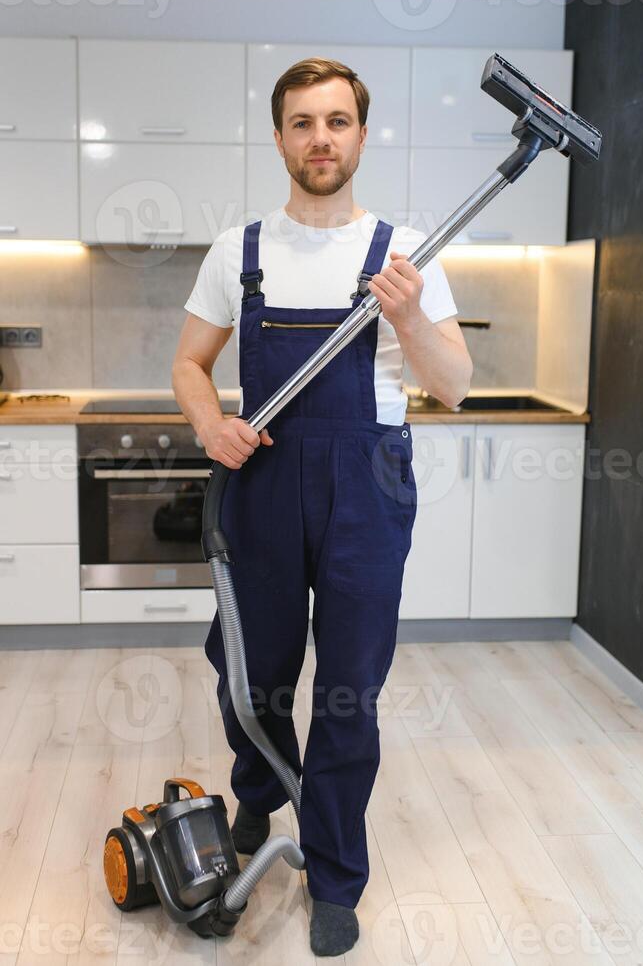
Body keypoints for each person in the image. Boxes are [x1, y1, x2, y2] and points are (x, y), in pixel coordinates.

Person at [172, 57, 472, 957]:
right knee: (249, 669)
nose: (321, 139)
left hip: (366, 491)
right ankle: (260, 799)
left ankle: (336, 871)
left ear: (361, 135)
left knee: (350, 693)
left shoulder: (406, 252)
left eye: (337, 121)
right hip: (261, 479)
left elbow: (455, 387)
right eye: (302, 122)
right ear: (280, 138)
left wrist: (412, 321)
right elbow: (189, 365)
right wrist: (207, 422)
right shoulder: (241, 250)